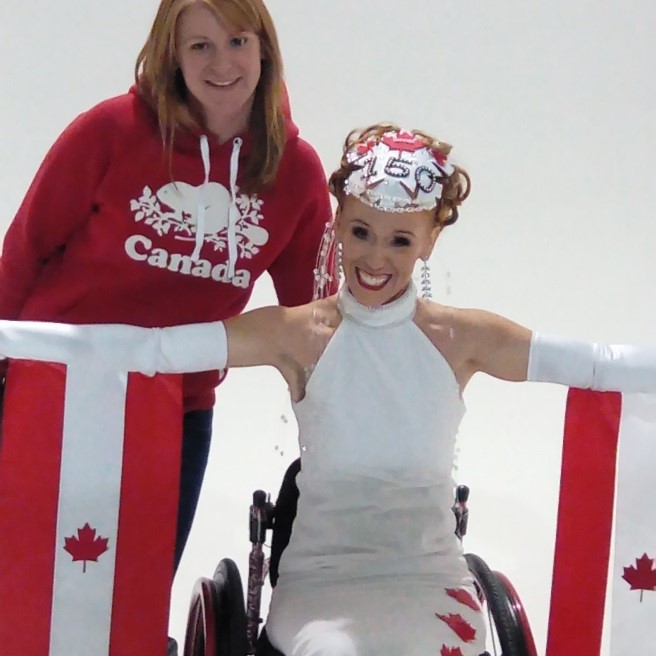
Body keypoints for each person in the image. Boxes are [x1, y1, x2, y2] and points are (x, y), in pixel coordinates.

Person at [5, 124, 656, 654]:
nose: (376, 258)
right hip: (324, 574)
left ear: (429, 240)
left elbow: (589, 365)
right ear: (338, 222)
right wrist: (34, 344)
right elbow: (159, 349)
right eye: (362, 233)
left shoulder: (463, 338)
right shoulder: (299, 333)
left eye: (400, 240)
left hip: (426, 570)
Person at [0, 0, 331, 614]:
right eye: (199, 45)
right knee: (22, 580)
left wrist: (345, 411)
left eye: (236, 41)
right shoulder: (109, 132)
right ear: (172, 56)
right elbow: (24, 249)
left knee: (133, 595)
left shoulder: (294, 172)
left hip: (177, 402)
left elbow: (314, 313)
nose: (222, 62)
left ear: (264, 48)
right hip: (53, 388)